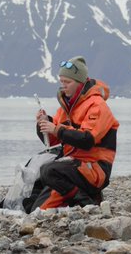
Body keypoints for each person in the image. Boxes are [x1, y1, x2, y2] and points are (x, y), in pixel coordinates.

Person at [33, 56, 119, 210]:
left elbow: (87, 139)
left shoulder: (97, 105)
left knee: (49, 171)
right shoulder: (67, 106)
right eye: (62, 82)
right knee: (33, 198)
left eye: (68, 82)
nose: (63, 86)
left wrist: (56, 128)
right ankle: (79, 198)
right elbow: (52, 140)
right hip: (73, 166)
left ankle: (86, 201)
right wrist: (44, 124)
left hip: (95, 168)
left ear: (80, 83)